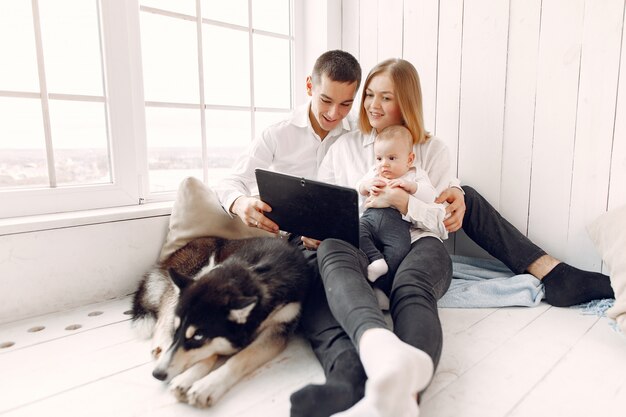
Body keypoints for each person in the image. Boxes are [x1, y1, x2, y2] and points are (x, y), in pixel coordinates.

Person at [290, 58, 615, 417]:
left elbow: (440, 219)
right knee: (332, 251)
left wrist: (406, 200)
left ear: (407, 102)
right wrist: (318, 229)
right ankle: (373, 353)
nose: (372, 105)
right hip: (360, 243)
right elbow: (328, 208)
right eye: (369, 95)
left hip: (418, 242)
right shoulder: (344, 148)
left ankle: (406, 395)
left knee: (414, 288)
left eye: (386, 97)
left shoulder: (431, 150)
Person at [214, 50, 361, 228]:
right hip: (295, 235)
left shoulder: (359, 131)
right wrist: (239, 203)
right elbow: (230, 182)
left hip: (345, 233)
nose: (334, 113)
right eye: (325, 100)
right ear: (309, 86)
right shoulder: (277, 132)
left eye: (345, 104)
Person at [358, 125, 437, 283]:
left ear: (409, 160)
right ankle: (376, 259)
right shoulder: (374, 172)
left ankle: (383, 289)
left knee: (399, 252)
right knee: (355, 231)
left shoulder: (415, 175)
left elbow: (430, 196)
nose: (384, 164)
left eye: (391, 158)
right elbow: (359, 187)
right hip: (370, 217)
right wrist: (366, 185)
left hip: (397, 223)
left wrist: (412, 187)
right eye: (379, 158)